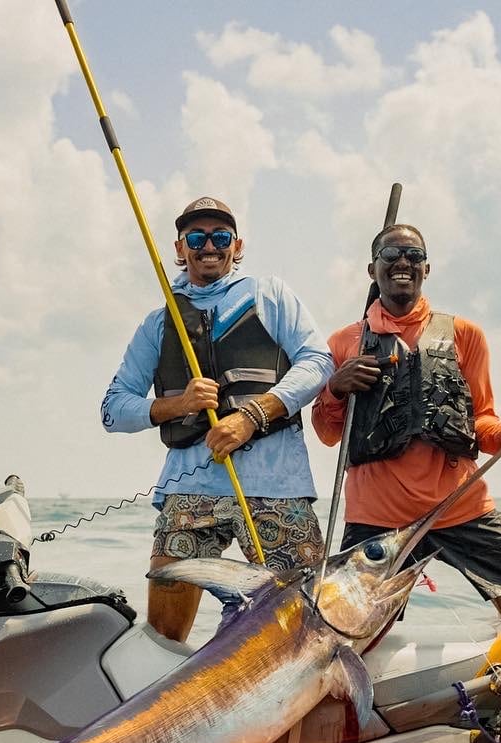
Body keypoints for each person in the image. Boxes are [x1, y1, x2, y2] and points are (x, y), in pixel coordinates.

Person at [102, 196, 334, 641]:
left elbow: (318, 362)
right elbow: (113, 409)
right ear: (180, 248)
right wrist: (178, 406)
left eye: (220, 237)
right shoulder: (159, 322)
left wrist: (252, 414)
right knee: (162, 636)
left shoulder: (271, 295)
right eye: (196, 238)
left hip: (276, 488)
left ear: (237, 245)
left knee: (303, 629)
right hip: (189, 490)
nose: (209, 246)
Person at [311, 223, 501, 621]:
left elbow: (483, 422)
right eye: (391, 254)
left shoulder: (465, 335)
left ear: (427, 268)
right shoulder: (344, 343)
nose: (402, 262)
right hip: (376, 516)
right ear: (372, 269)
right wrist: (335, 388)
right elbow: (326, 433)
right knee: (352, 632)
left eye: (414, 255)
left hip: (459, 505)